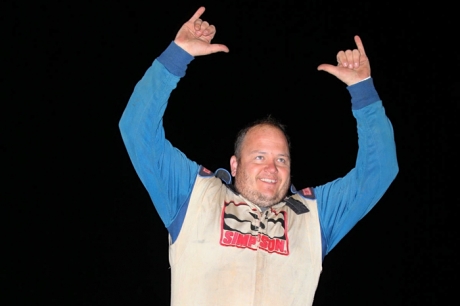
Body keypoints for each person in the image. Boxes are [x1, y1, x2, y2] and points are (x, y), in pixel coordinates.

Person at [119, 6, 398, 306]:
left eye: (282, 159)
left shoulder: (315, 215)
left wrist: (363, 92)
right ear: (234, 164)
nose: (272, 168)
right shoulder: (192, 194)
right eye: (260, 157)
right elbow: (138, 131)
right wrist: (177, 56)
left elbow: (378, 172)